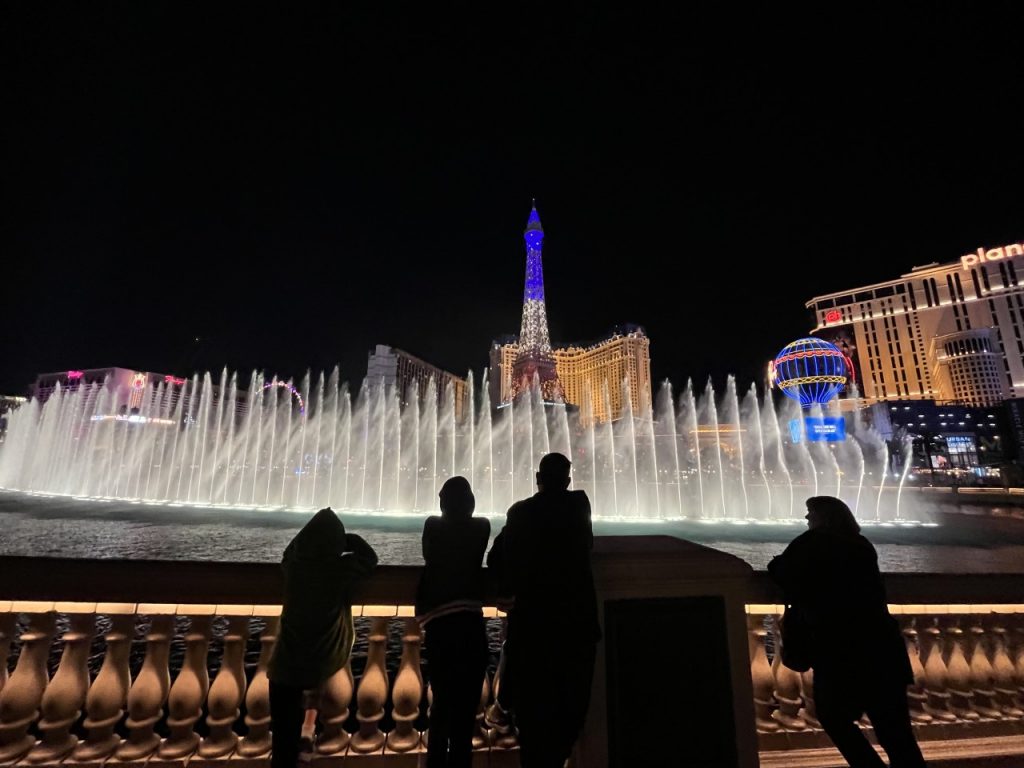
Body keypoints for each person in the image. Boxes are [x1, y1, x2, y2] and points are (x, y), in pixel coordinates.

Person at [768, 496, 926, 768]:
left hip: (838, 650)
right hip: (882, 649)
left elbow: (780, 570)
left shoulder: (813, 542)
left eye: (811, 513)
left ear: (824, 517)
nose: (807, 519)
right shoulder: (862, 545)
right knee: (895, 732)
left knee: (833, 717)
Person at [486, 452, 600, 768]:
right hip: (576, 629)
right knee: (570, 710)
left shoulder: (521, 513)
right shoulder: (579, 505)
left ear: (537, 479)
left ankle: (507, 712)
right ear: (567, 480)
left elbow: (497, 556)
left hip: (534, 629)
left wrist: (504, 589)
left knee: (534, 720)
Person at [267, 508, 378, 768]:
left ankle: (298, 744)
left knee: (282, 743)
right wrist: (348, 540)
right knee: (314, 692)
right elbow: (370, 558)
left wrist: (303, 538)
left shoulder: (294, 569)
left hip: (283, 667)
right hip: (317, 661)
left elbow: (288, 554)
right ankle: (308, 732)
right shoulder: (338, 570)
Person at [415, 476, 491, 768]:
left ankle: (435, 763)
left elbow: (428, 555)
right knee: (466, 713)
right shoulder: (482, 526)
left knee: (442, 707)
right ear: (470, 503)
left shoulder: (432, 525)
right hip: (471, 628)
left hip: (441, 628)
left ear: (443, 503)